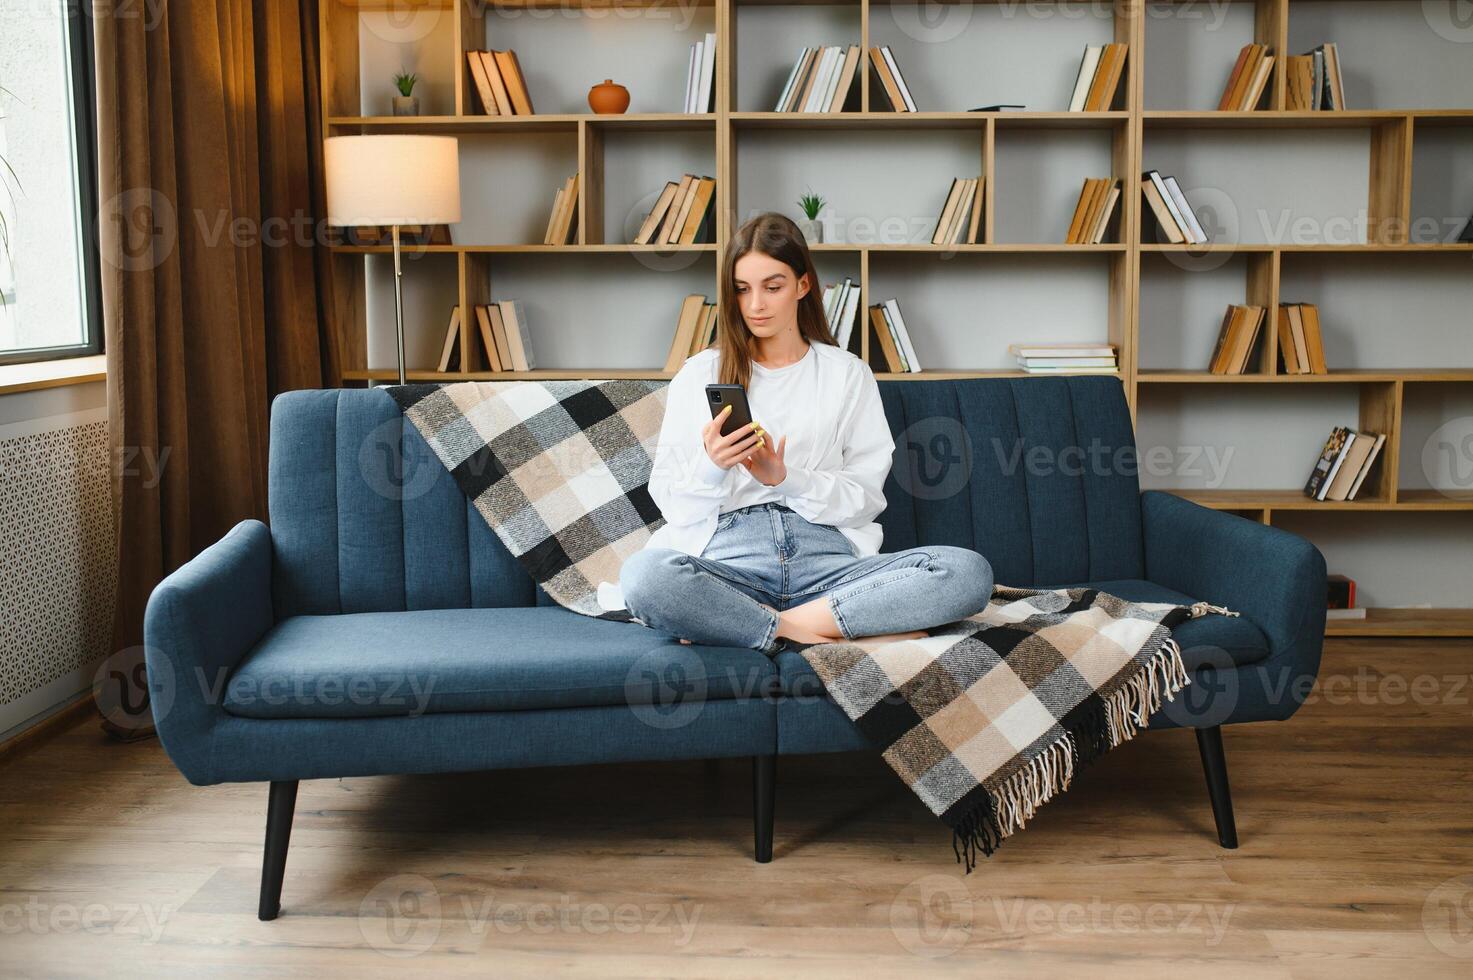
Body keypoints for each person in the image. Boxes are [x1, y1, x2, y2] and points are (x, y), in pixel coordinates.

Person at [606, 212, 993, 653]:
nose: (755, 305)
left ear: (803, 286)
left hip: (828, 567)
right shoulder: (699, 374)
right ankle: (818, 636)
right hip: (731, 566)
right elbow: (673, 506)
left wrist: (785, 478)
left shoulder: (847, 374)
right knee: (644, 577)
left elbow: (866, 498)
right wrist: (713, 466)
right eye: (742, 289)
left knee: (967, 572)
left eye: (773, 287)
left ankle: (763, 628)